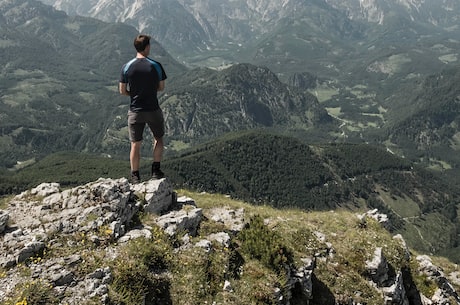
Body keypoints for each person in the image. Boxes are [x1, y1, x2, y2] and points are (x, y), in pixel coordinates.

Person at [119, 34, 167, 183]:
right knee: (158, 139)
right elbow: (161, 87)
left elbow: (122, 90)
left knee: (135, 144)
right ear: (147, 47)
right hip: (152, 109)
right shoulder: (155, 65)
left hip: (135, 110)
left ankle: (135, 175)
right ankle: (156, 170)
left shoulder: (127, 67)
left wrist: (134, 94)